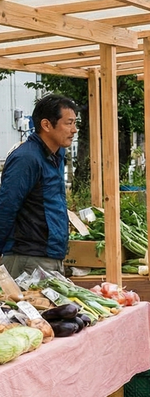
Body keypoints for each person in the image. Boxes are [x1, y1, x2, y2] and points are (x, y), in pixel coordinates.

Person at [0, 94, 78, 278]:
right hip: (28, 258)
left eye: (75, 123)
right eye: (69, 123)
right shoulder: (27, 158)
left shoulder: (56, 154)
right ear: (46, 125)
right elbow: (6, 207)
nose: (74, 130)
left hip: (49, 256)